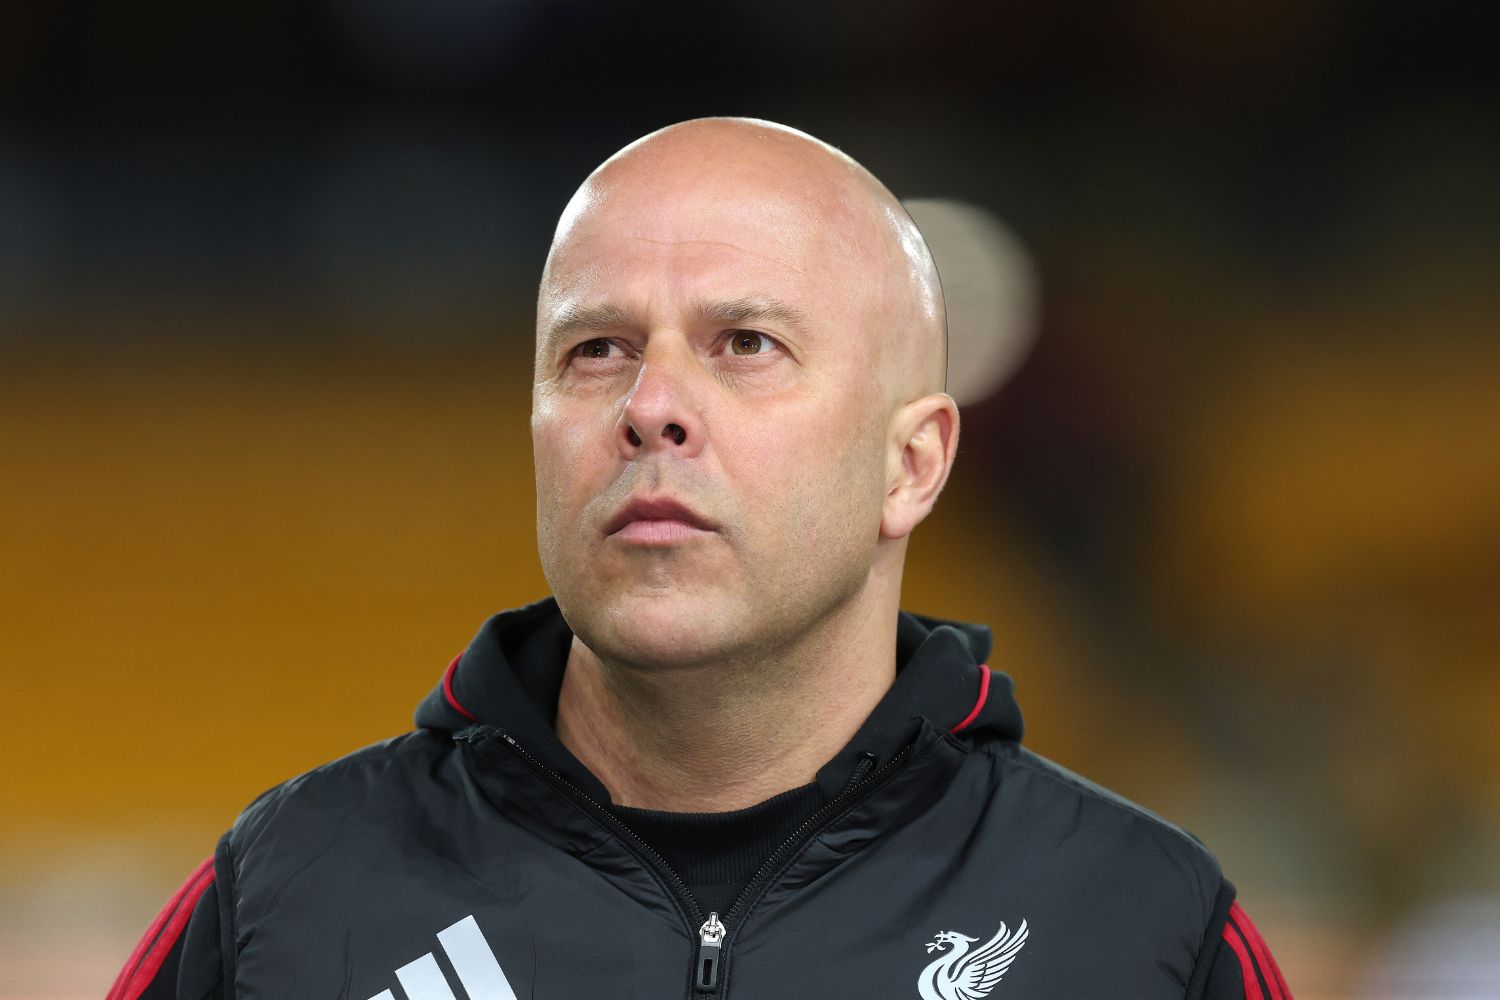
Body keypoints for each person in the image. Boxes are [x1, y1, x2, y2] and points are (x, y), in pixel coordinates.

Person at [110, 118, 1292, 1000]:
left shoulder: (1139, 926)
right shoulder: (290, 898)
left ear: (912, 464)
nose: (651, 405)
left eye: (746, 343)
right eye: (597, 350)